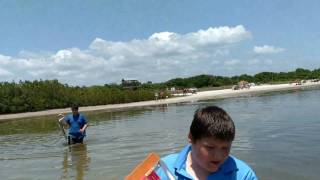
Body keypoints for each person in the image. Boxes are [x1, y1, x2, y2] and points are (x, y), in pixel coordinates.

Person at [157, 106, 257, 180]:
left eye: (225, 148)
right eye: (210, 147)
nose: (218, 156)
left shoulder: (243, 175)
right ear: (191, 138)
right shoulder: (164, 168)